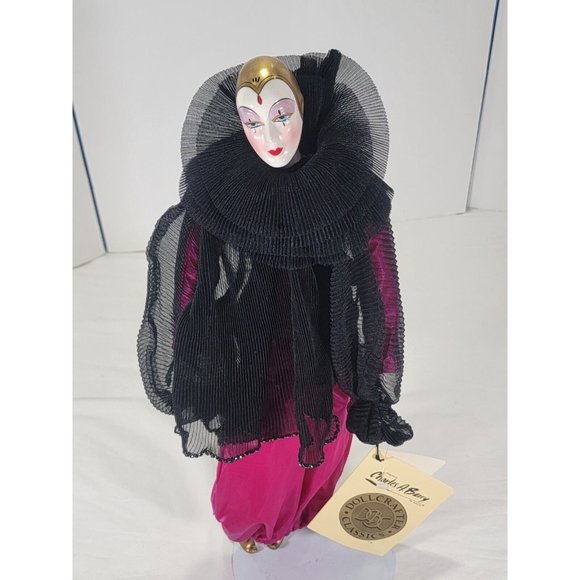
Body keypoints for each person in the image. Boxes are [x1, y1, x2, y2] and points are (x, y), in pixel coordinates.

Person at [136, 48, 413, 554]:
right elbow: (190, 279)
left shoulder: (346, 186)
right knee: (261, 442)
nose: (269, 135)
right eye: (252, 121)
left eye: (281, 115)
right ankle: (255, 523)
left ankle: (310, 508)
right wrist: (195, 361)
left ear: (302, 111)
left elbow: (379, 288)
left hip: (329, 337)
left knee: (328, 431)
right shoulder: (221, 189)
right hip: (254, 341)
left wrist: (376, 375)